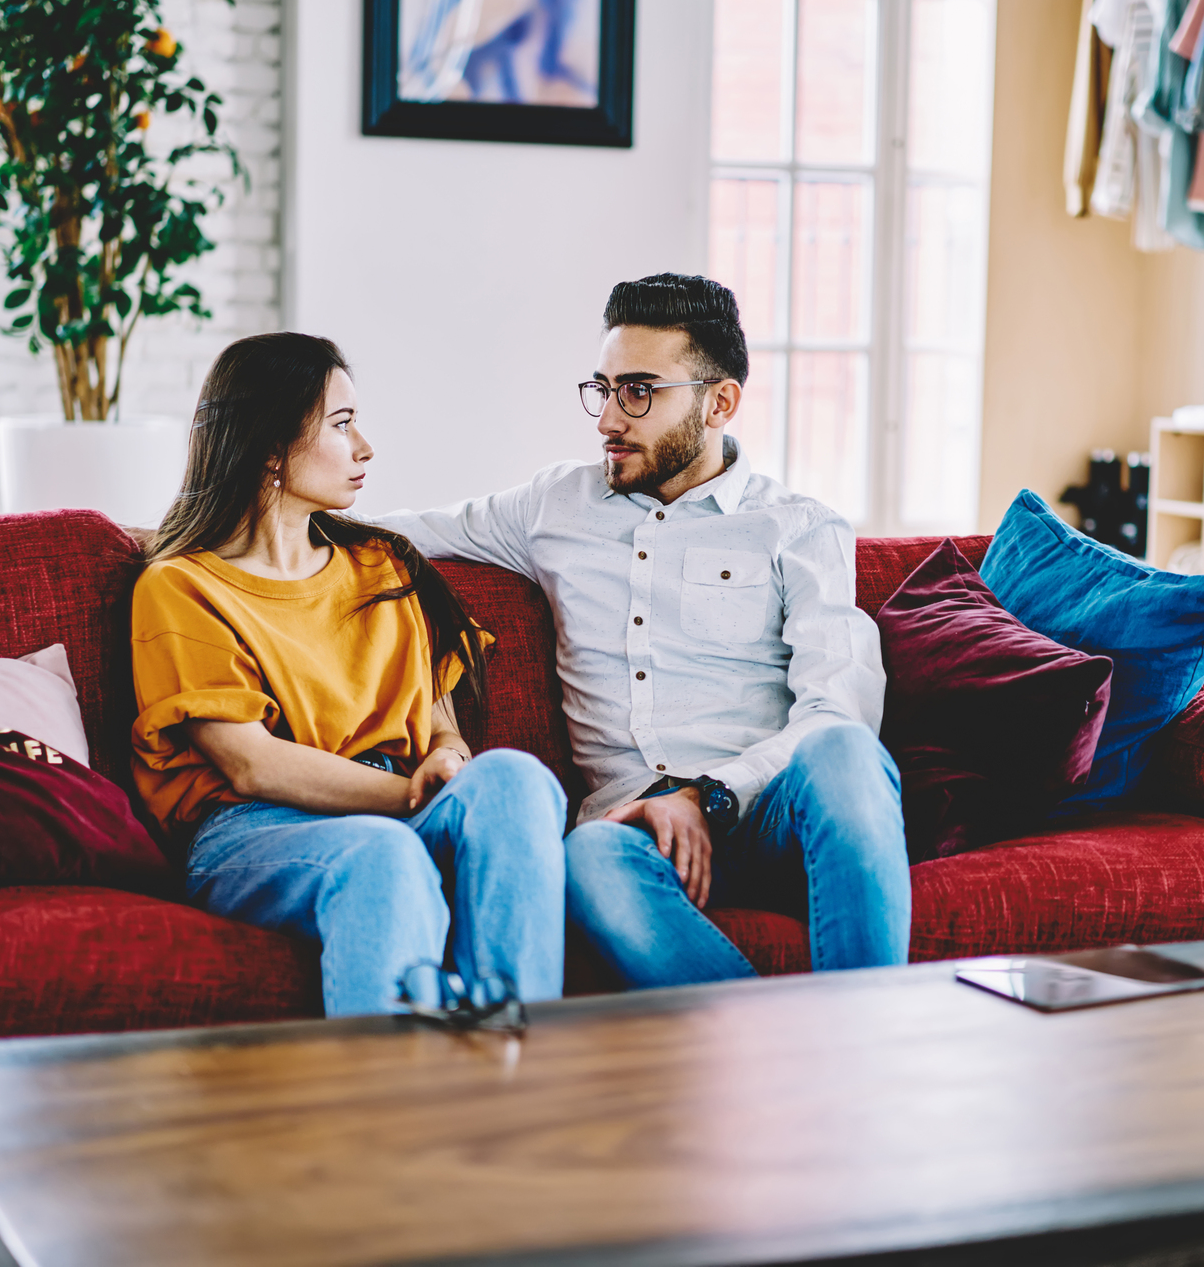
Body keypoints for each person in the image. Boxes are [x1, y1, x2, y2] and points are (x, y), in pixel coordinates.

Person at [375, 274, 908, 988]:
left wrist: (706, 796)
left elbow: (837, 712)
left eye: (639, 392)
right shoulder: (553, 505)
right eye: (603, 389)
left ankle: (870, 1035)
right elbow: (400, 534)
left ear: (720, 401)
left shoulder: (799, 528)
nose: (607, 420)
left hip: (767, 814)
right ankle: (773, 1058)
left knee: (844, 750)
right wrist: (203, 530)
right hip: (628, 834)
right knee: (588, 856)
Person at [131, 332, 568, 1016]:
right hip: (255, 829)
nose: (365, 446)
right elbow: (250, 764)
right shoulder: (181, 587)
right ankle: (392, 1113)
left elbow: (438, 726)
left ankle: (515, 1047)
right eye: (341, 425)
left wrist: (448, 763)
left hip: (398, 802)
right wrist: (409, 802)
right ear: (271, 446)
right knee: (382, 856)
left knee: (516, 779)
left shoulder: (383, 567)